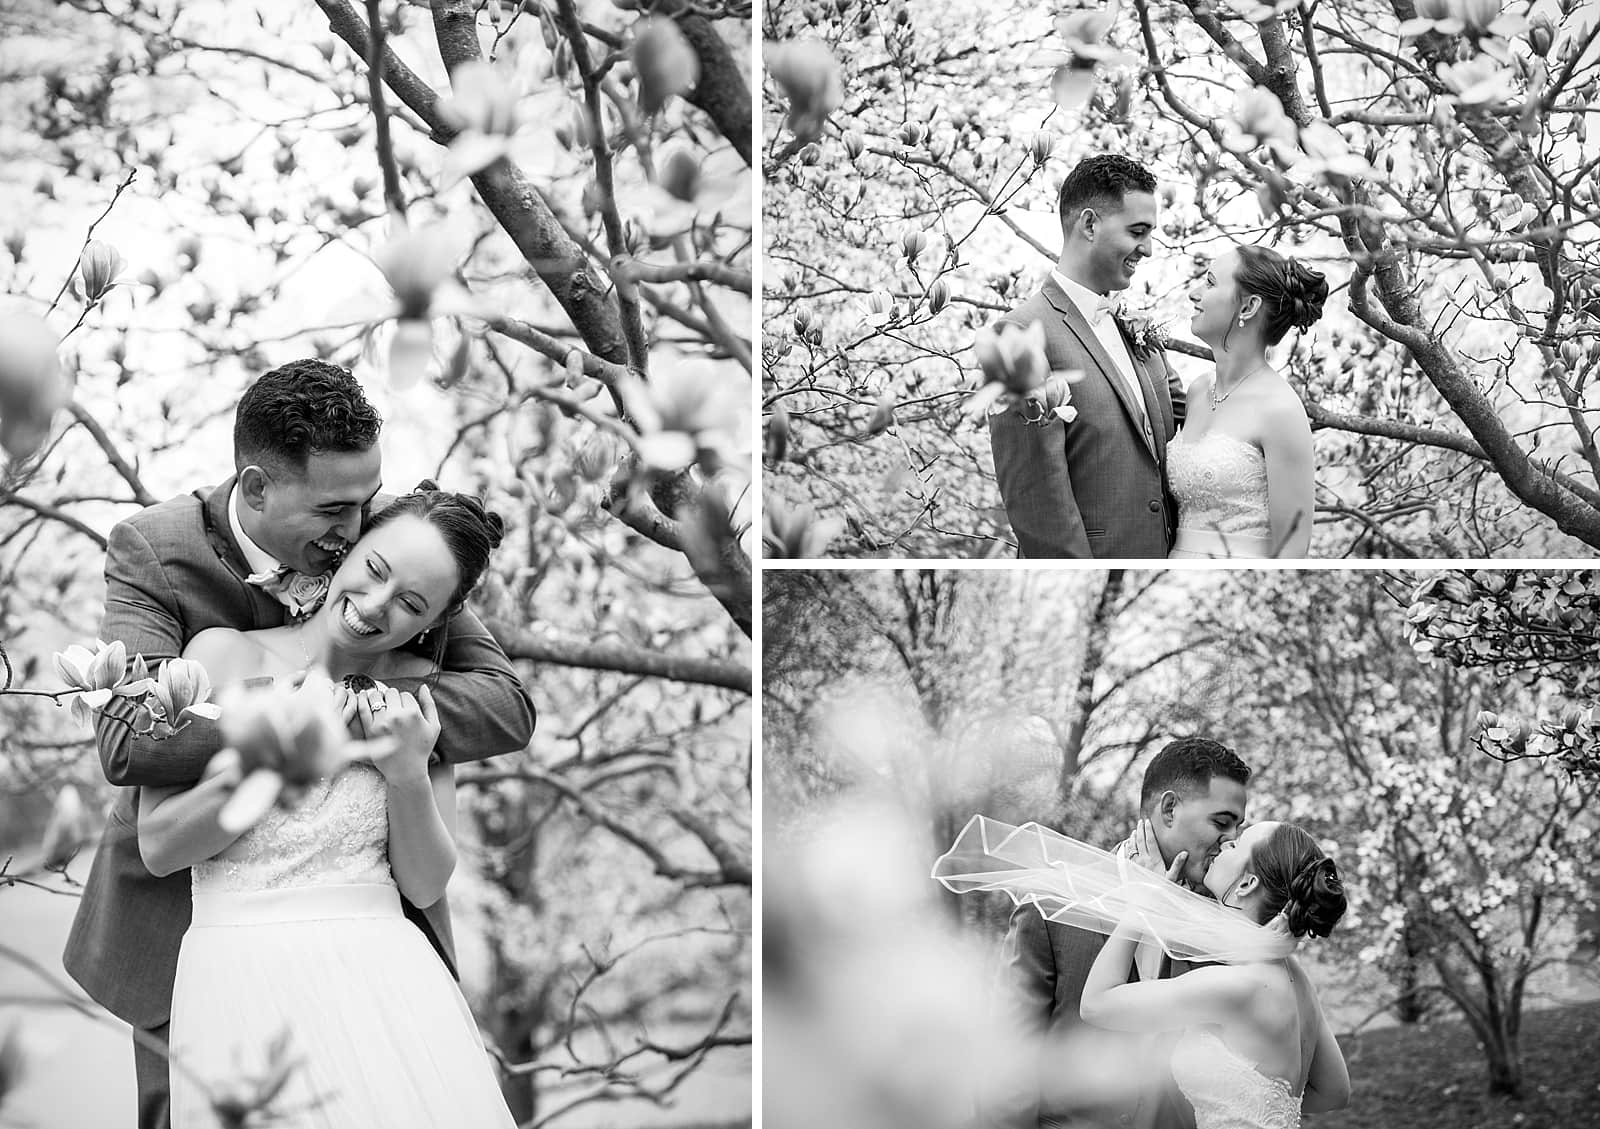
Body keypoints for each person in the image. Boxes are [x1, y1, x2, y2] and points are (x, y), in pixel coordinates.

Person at [62, 360, 536, 1129]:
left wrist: (387, 737)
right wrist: (288, 721)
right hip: (195, 939)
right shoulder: (163, 557)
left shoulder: (401, 551)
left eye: (366, 507)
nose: (354, 528)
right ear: (256, 489)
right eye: (338, 515)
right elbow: (128, 740)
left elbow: (507, 706)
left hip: (382, 963)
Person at [140, 486, 518, 1127]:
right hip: (236, 978)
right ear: (348, 550)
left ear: (431, 624)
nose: (376, 606)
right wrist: (275, 756)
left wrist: (406, 775)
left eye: (410, 604)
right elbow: (159, 848)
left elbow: (425, 883)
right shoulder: (221, 655)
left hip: (388, 985)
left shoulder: (416, 698)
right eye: (375, 570)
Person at [979, 738, 1251, 1129]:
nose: (1231, 840)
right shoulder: (1054, 905)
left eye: (1238, 827)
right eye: (1221, 823)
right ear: (1170, 809)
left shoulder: (1222, 923)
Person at [1079, 820, 1352, 1129]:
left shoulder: (1238, 987)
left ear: (1247, 884)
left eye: (1236, 845)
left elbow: (1096, 1004)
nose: (1225, 844)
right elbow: (1334, 1092)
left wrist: (1142, 901)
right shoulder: (1293, 975)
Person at [987, 154, 1186, 559]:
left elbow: (1190, 421)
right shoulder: (1019, 335)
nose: (1147, 249)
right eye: (1137, 231)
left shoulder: (1134, 327)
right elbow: (1036, 502)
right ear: (1090, 224)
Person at [1169, 247, 1328, 558]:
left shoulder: (1280, 409)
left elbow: (1292, 551)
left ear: (1249, 306)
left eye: (1210, 283)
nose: (1193, 293)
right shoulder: (1198, 391)